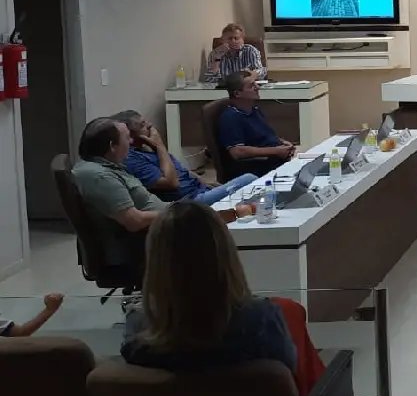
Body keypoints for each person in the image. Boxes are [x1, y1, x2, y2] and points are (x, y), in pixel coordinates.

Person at [121, 201, 296, 373]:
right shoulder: (261, 320)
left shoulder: (138, 327)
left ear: (155, 259)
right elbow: (288, 377)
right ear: (225, 253)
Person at [71, 119, 256, 273]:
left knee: (234, 216)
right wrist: (183, 212)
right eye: (127, 138)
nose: (132, 142)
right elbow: (134, 221)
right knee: (229, 225)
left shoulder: (107, 166)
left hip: (167, 222)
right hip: (157, 236)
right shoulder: (99, 177)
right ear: (112, 146)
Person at [115, 110, 259, 205]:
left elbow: (182, 171)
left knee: (253, 194)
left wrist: (209, 184)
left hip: (201, 191)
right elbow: (172, 183)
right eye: (143, 125)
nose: (150, 126)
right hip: (189, 203)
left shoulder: (146, 148)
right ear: (131, 136)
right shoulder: (132, 160)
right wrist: (160, 147)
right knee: (250, 180)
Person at [216, 71, 297, 177]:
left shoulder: (254, 110)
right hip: (256, 167)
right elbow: (237, 152)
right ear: (237, 93)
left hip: (275, 158)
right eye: (251, 86)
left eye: (256, 84)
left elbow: (265, 135)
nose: (257, 87)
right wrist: (276, 151)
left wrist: (283, 143)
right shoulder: (231, 117)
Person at [201, 23, 266, 83]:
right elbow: (209, 80)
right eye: (229, 38)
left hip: (246, 87)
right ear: (223, 40)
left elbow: (261, 72)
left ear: (242, 40)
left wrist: (253, 75)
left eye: (236, 38)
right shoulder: (215, 54)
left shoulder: (250, 50)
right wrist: (217, 59)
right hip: (225, 89)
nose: (233, 41)